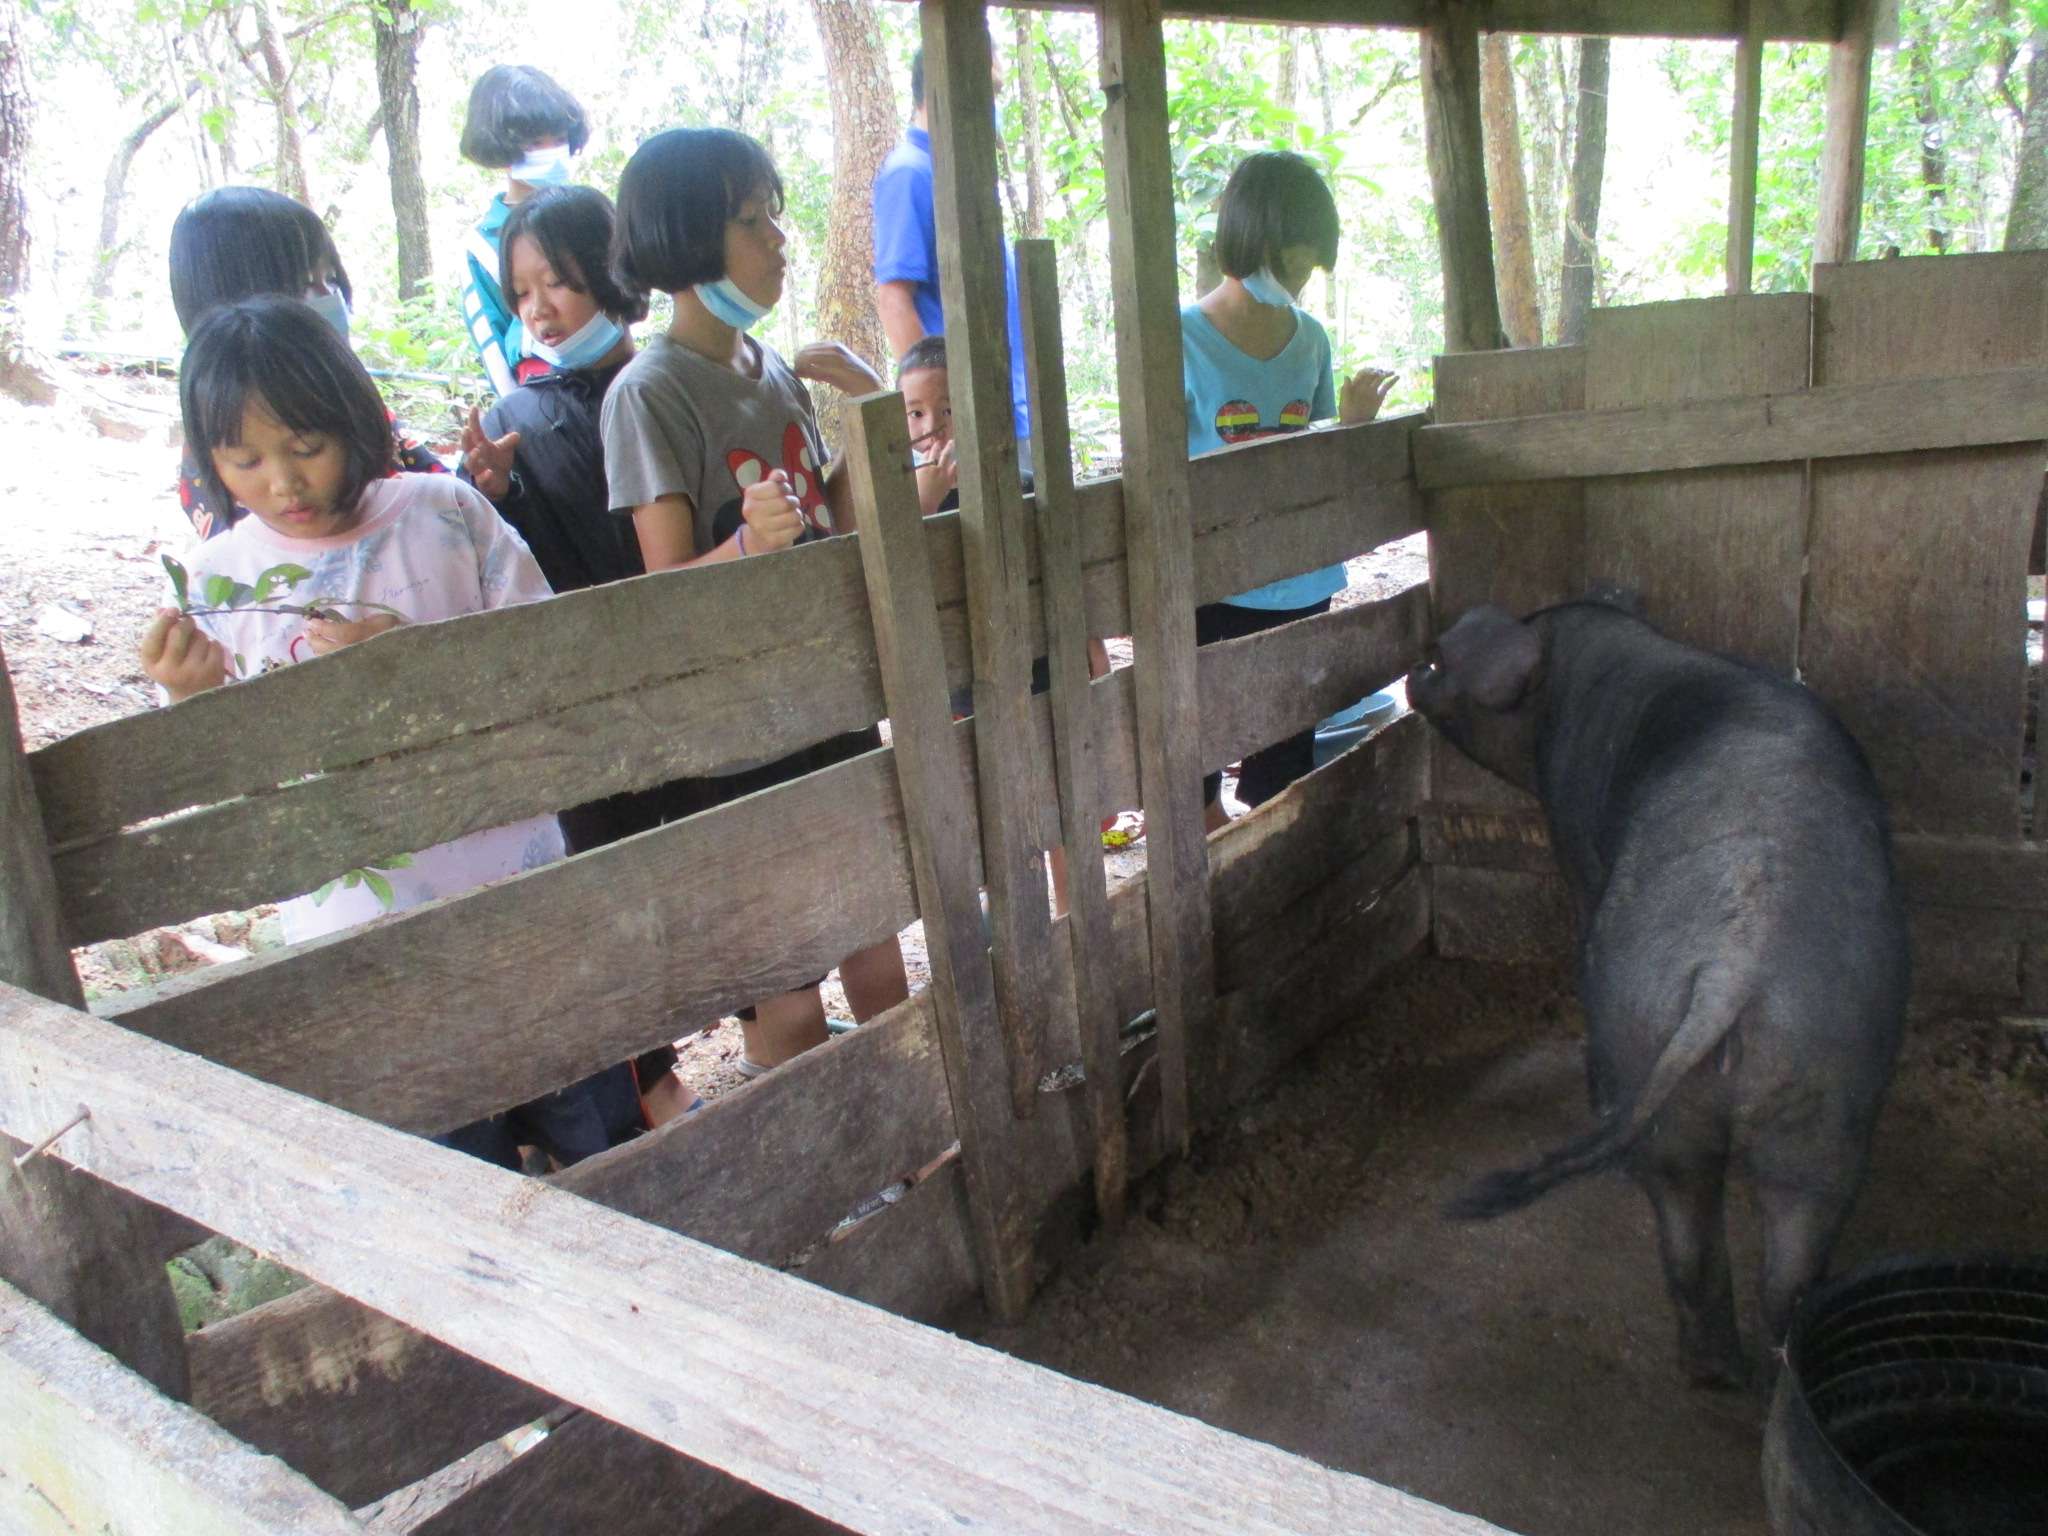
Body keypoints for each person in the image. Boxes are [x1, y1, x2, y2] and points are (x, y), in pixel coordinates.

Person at [139, 294, 639, 1170]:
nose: (281, 484)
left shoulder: (444, 516)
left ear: (354, 421)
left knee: (593, 1137)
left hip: (520, 905)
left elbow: (553, 660)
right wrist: (192, 702)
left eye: (305, 448)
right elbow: (231, 792)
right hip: (364, 941)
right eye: (244, 460)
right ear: (209, 460)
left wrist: (416, 665)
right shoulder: (220, 584)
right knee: (451, 1164)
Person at [602, 125, 910, 1075]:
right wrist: (741, 544)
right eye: (751, 219)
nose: (778, 237)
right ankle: (822, 1167)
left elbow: (837, 526)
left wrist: (866, 412)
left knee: (870, 928)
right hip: (736, 730)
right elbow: (665, 593)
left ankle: (919, 1120)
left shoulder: (771, 369)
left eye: (775, 214)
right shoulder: (648, 393)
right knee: (782, 970)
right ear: (686, 242)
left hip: (823, 694)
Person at [457, 183, 697, 1125]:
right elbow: (537, 569)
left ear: (610, 271)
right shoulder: (523, 412)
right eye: (522, 292)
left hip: (682, 682)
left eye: (556, 279)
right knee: (616, 894)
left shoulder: (665, 379)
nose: (540, 305)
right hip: (593, 706)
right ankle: (649, 1083)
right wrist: (499, 494)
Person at [1184, 151, 1397, 831]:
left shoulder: (1312, 341)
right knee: (1196, 772)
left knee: (1285, 770)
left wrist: (1354, 424)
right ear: (1251, 243)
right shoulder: (1177, 341)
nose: (1301, 285)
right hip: (1215, 586)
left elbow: (1319, 455)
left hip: (1302, 584)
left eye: (1310, 270)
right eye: (1294, 267)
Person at [167, 186, 447, 540]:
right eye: (303, 285)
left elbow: (437, 489)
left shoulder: (348, 395)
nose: (329, 298)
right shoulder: (223, 440)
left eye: (329, 280)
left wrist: (490, 483)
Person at [871, 48, 1031, 456]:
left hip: (1007, 413)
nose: (992, 105)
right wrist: (941, 422)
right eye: (987, 89)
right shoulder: (910, 172)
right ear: (942, 89)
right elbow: (893, 299)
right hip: (965, 432)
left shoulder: (956, 173)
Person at [458, 65, 589, 398]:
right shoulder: (482, 244)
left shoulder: (589, 217)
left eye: (559, 139)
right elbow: (492, 342)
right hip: (542, 394)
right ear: (502, 149)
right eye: (535, 142)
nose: (551, 150)